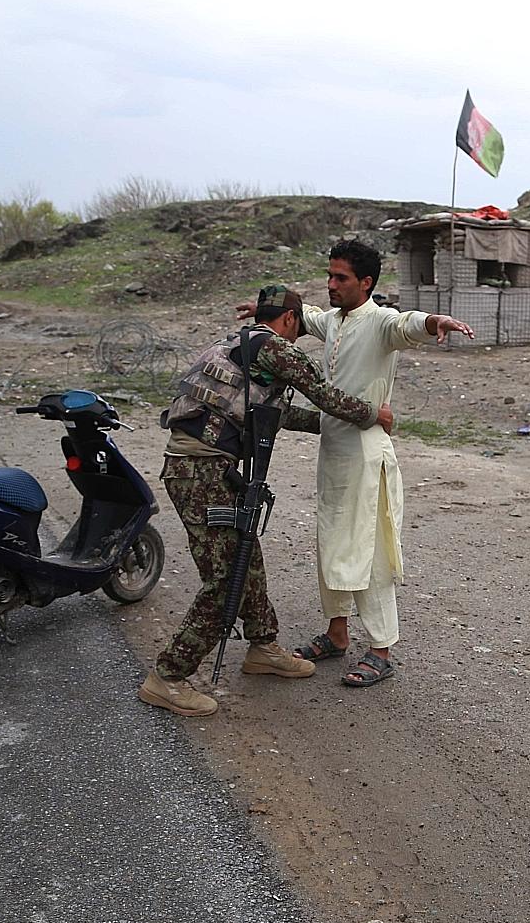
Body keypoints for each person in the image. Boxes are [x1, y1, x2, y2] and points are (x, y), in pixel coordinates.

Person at [137, 284, 394, 718]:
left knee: (246, 560)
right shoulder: (275, 348)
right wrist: (373, 415)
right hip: (203, 475)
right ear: (291, 319)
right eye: (298, 327)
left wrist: (324, 427)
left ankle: (263, 647)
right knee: (223, 583)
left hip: (202, 471)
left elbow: (267, 415)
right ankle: (168, 677)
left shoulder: (234, 344)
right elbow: (324, 393)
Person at [239, 239, 473, 687]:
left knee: (371, 552)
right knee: (333, 544)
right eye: (329, 276)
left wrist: (436, 321)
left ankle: (381, 648)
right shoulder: (334, 320)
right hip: (333, 452)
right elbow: (305, 315)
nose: (331, 284)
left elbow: (408, 325)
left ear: (366, 282)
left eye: (341, 278)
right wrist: (263, 310)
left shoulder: (380, 322)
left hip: (368, 456)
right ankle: (337, 634)